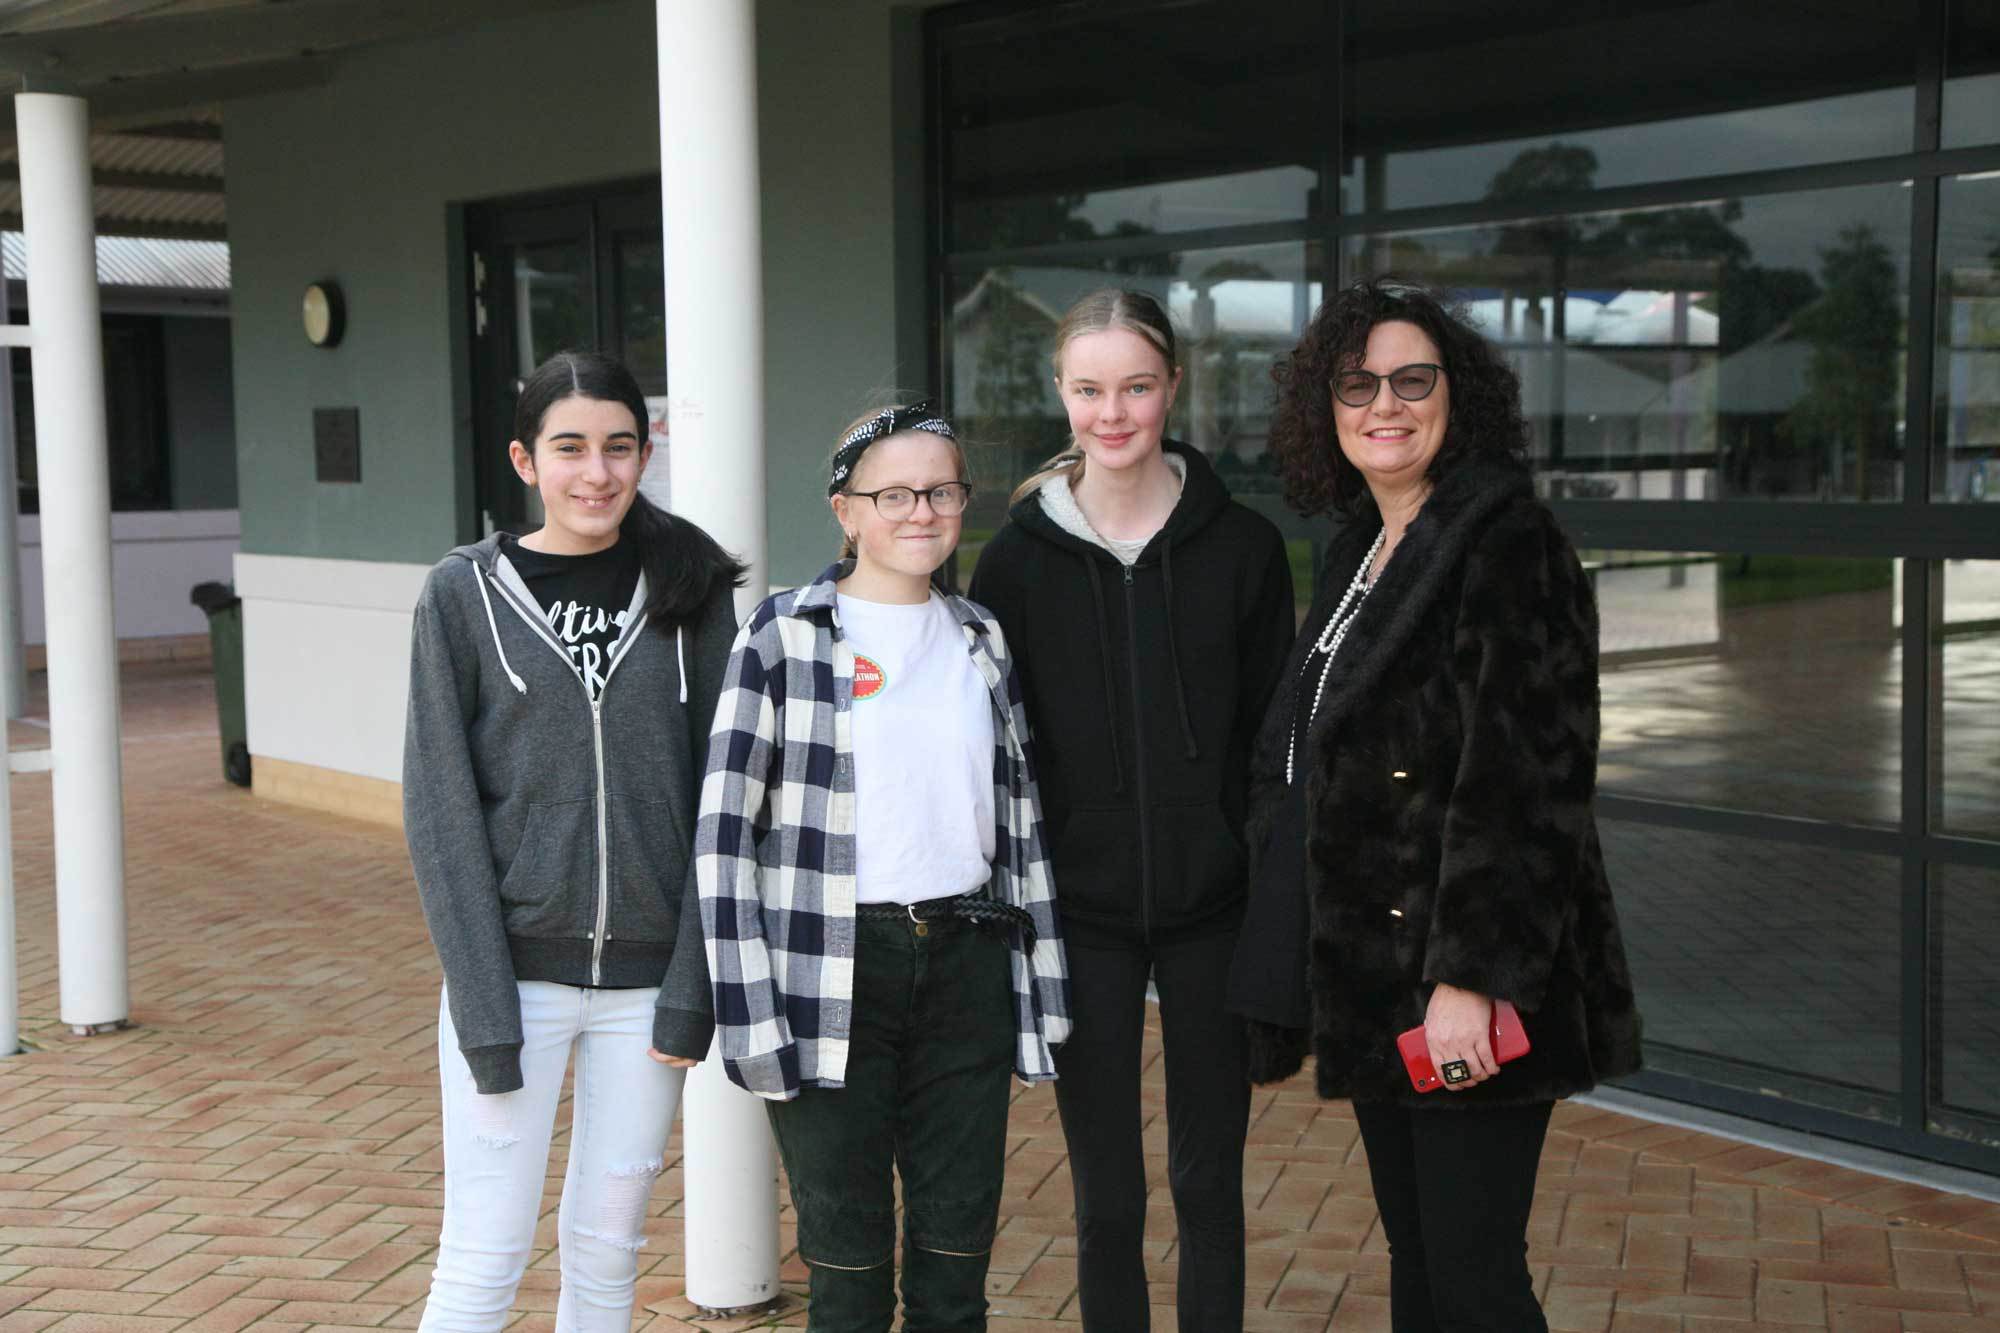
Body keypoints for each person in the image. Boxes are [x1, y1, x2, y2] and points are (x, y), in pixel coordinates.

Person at [1229, 278, 1645, 1333]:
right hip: (1377, 970)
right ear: (1325, 408)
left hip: (1469, 980)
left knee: (1474, 1279)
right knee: (1418, 1259)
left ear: (1457, 396)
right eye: (1357, 383)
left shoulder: (1508, 542)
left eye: (1412, 380)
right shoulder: (1359, 549)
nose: (1385, 404)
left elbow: (1529, 780)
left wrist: (1471, 978)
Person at [696, 402, 1070, 1332]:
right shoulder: (782, 635)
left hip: (966, 960)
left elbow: (1020, 824)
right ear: (846, 511)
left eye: (941, 491)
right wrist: (749, 1012)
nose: (922, 511)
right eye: (893, 494)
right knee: (848, 1272)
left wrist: (1040, 988)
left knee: (955, 1272)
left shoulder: (981, 637)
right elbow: (723, 835)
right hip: (828, 971)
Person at [968, 289, 1296, 1332]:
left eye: (1136, 387)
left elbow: (1273, 743)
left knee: (1209, 1188)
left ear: (1173, 387)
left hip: (1215, 912)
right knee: (1106, 1199)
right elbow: (1000, 751)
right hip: (1083, 920)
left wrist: (1265, 887)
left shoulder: (1243, 548)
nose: (1111, 413)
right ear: (1060, 393)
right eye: (1088, 389)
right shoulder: (1015, 561)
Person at [403, 350, 745, 1330]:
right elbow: (439, 808)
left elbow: (723, 803)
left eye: (618, 447)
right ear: (525, 460)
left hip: (647, 987)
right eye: (569, 448)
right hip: (514, 977)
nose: (596, 472)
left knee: (606, 1257)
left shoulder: (692, 590)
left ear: (645, 453)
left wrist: (690, 990)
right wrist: (485, 1008)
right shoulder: (461, 596)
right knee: (484, 1257)